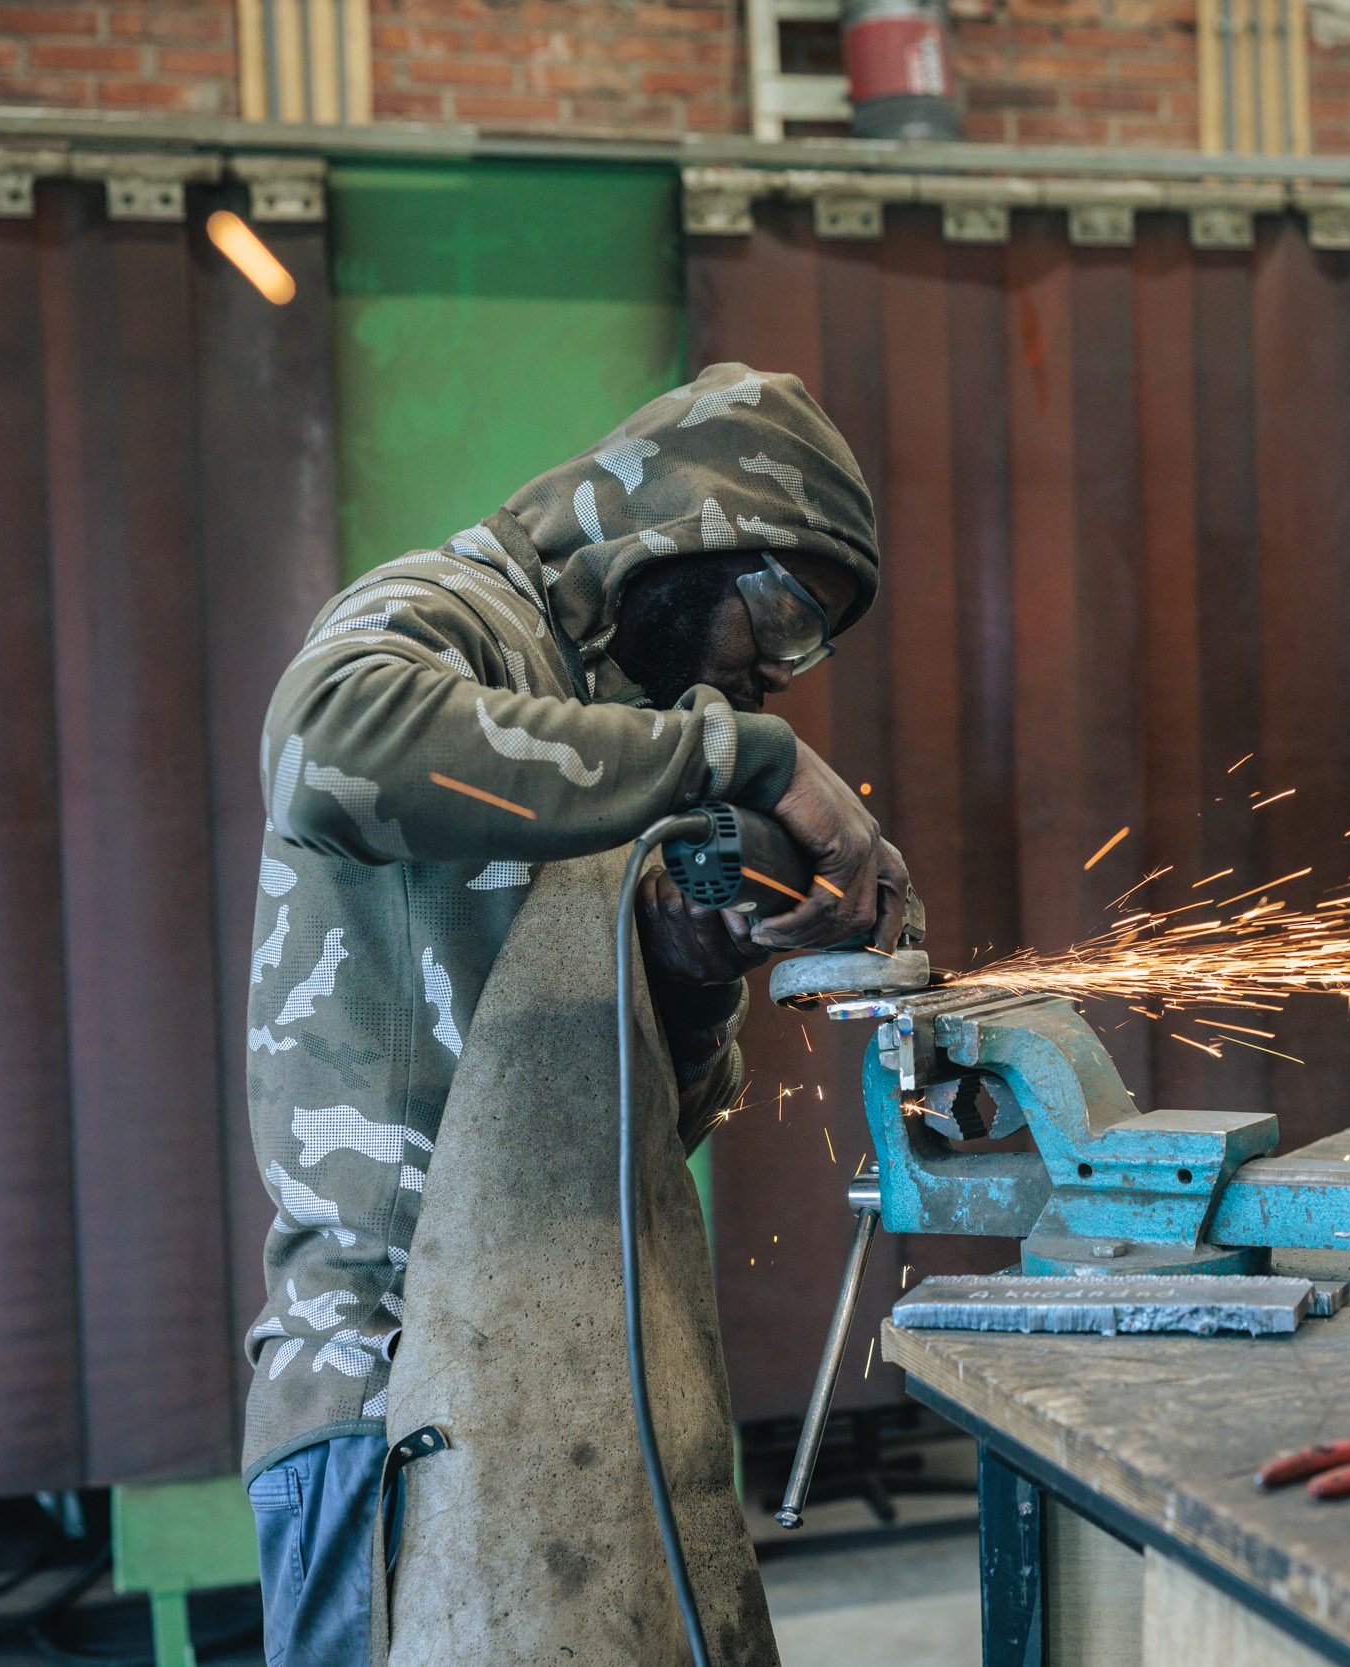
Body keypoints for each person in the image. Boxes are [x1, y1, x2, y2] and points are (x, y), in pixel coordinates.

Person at [237, 363, 905, 1664]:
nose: (772, 675)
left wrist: (698, 960)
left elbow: (650, 1122)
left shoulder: (618, 730)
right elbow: (324, 742)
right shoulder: (458, 617)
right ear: (685, 531)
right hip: (391, 1378)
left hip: (586, 1363)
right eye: (776, 620)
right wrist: (743, 759)